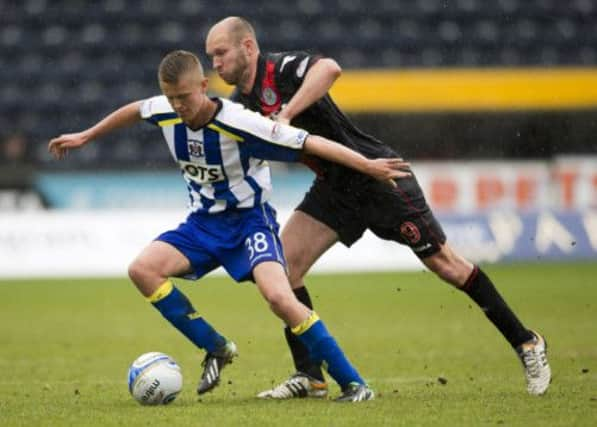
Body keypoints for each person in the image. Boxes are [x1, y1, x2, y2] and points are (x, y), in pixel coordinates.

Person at [205, 17, 552, 398]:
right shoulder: (240, 107)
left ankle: (526, 343)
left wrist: (286, 115)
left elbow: (330, 69)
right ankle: (311, 376)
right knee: (284, 268)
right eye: (211, 57)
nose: (217, 63)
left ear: (249, 47)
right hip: (333, 188)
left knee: (446, 265)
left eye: (221, 53)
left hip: (377, 176)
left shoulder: (281, 69)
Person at [48, 50, 412, 402]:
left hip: (250, 223)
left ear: (203, 86)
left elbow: (311, 141)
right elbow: (134, 110)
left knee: (279, 297)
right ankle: (216, 348)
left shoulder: (241, 121)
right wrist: (85, 136)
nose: (178, 105)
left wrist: (368, 165)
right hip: (203, 225)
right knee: (143, 270)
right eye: (171, 97)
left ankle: (353, 383)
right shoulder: (164, 110)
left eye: (184, 97)